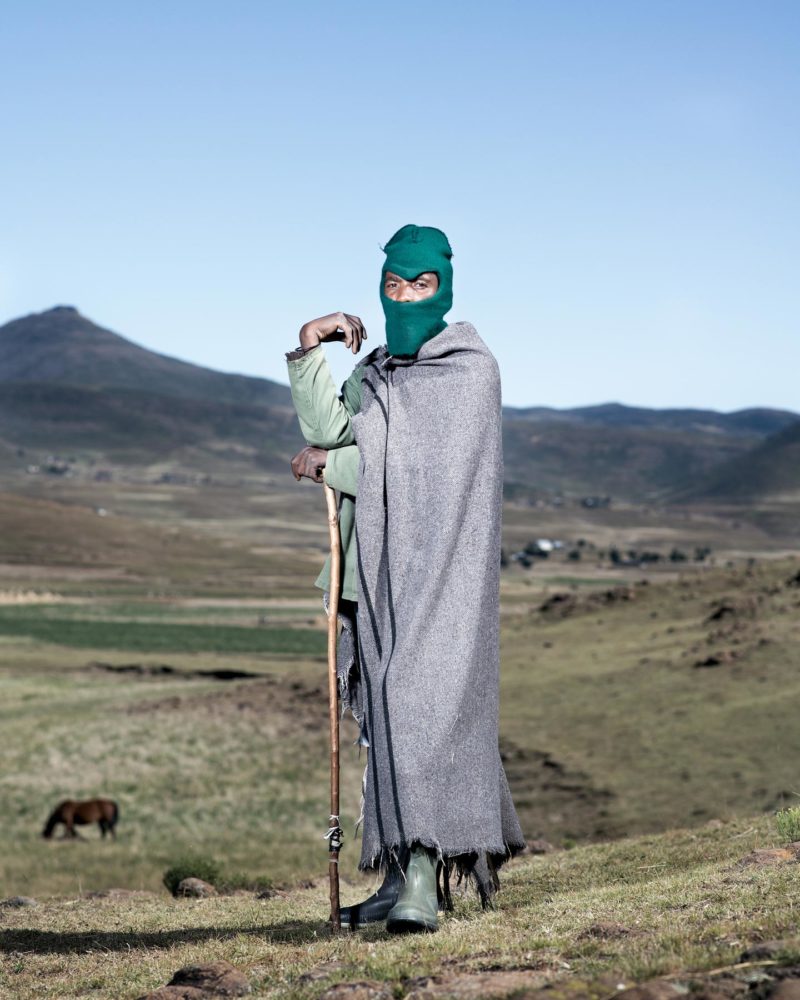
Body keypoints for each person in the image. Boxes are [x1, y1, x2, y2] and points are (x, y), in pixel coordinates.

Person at [286, 225, 524, 933]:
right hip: (373, 573)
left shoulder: (469, 371)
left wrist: (331, 469)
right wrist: (309, 345)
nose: (406, 298)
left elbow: (421, 476)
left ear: (444, 288)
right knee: (385, 729)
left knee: (422, 718)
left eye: (420, 286)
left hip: (441, 582)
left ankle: (425, 874)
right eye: (394, 285)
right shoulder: (381, 369)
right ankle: (396, 876)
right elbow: (328, 427)